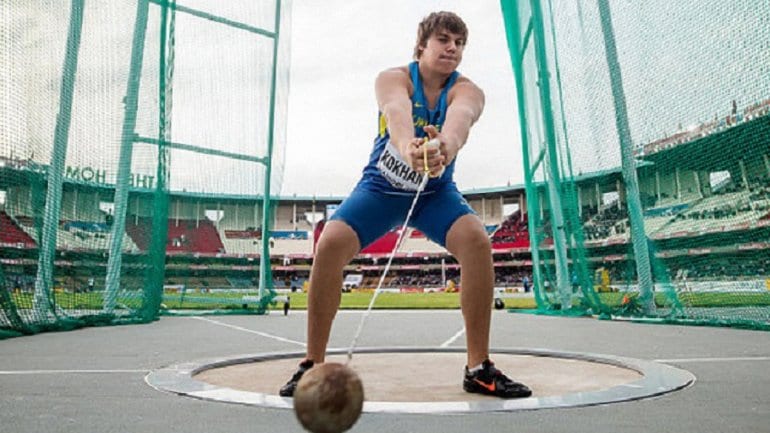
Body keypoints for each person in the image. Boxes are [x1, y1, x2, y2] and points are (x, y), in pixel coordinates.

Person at [279, 11, 531, 399]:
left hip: (434, 194)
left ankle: (478, 367)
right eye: (444, 40)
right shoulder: (393, 77)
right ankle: (312, 363)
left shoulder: (468, 91)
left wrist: (445, 145)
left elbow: (460, 121)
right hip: (380, 190)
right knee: (329, 244)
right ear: (421, 46)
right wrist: (407, 145)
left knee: (477, 242)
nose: (452, 49)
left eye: (460, 43)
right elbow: (396, 111)